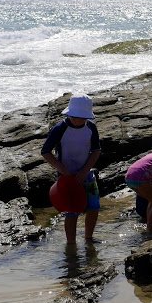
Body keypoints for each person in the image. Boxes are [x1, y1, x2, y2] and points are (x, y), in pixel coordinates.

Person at [41, 94, 102, 243]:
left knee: (94, 207)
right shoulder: (60, 128)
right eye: (73, 115)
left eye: (81, 116)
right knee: (72, 211)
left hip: (86, 173)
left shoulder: (90, 128)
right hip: (66, 176)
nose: (76, 119)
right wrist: (62, 169)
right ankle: (71, 243)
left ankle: (88, 237)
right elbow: (45, 152)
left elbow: (96, 151)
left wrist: (84, 171)